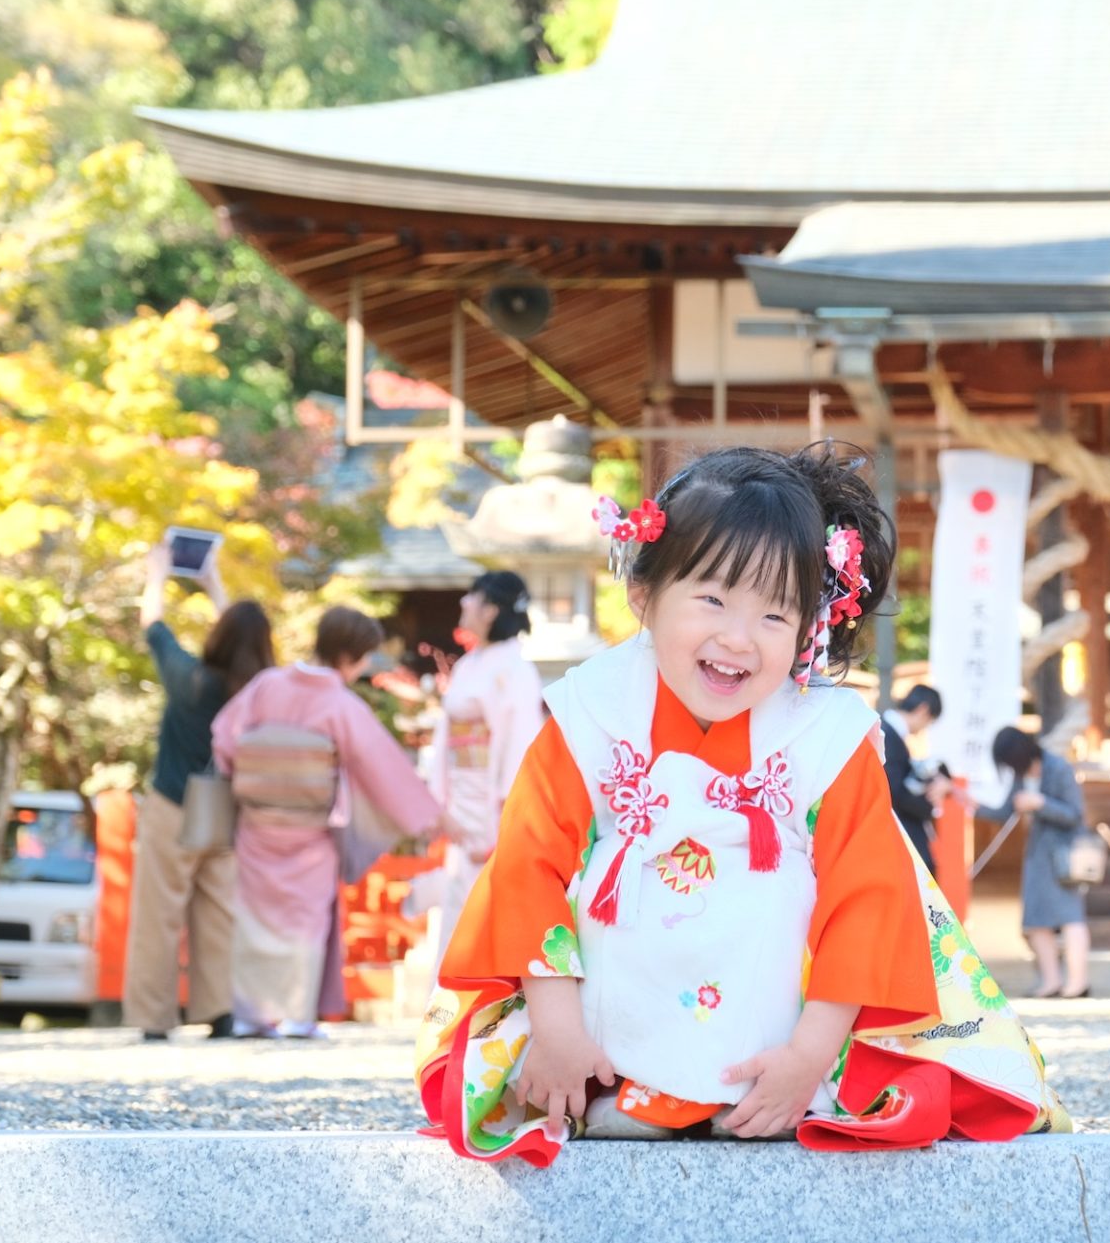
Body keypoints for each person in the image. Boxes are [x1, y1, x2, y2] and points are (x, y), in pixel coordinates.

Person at [415, 444, 1068, 1165]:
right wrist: (557, 1028)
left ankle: (766, 1090)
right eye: (713, 598)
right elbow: (528, 867)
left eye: (774, 614)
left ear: (808, 626)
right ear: (644, 592)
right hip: (605, 997)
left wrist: (809, 1057)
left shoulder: (828, 733)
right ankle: (627, 1080)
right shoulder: (592, 711)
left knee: (769, 893)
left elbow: (868, 899)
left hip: (781, 1020)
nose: (738, 638)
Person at [211, 606, 441, 1038]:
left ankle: (250, 1014)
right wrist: (426, 815)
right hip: (309, 830)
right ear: (353, 656)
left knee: (254, 917)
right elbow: (383, 767)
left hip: (257, 823)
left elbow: (224, 737)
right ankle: (298, 1015)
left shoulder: (266, 685)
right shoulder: (339, 703)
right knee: (305, 919)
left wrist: (255, 771)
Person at [124, 545, 275, 1042]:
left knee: (158, 913)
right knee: (220, 913)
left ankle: (153, 1017)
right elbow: (241, 639)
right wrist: (213, 584)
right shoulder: (261, 691)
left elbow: (153, 625)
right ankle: (220, 1009)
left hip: (173, 803)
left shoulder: (190, 680)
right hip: (228, 812)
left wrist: (158, 574)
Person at [424, 571, 546, 971]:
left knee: (487, 908)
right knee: (456, 911)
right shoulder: (471, 665)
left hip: (493, 808)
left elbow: (519, 746)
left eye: (471, 597)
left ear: (492, 609)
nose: (463, 603)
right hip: (461, 801)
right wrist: (437, 803)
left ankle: (480, 1020)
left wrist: (506, 819)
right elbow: (445, 739)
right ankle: (447, 1018)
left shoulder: (515, 669)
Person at [976, 727, 1092, 1000]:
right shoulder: (1021, 776)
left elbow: (1075, 815)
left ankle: (1078, 983)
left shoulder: (1059, 768)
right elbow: (1006, 811)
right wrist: (970, 804)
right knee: (1035, 921)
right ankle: (1051, 981)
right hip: (1037, 859)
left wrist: (1040, 803)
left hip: (1065, 857)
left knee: (1071, 918)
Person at [878, 684, 950, 877]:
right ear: (923, 710)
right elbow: (894, 792)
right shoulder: (887, 735)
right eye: (930, 721)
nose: (925, 728)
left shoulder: (888, 732)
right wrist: (927, 806)